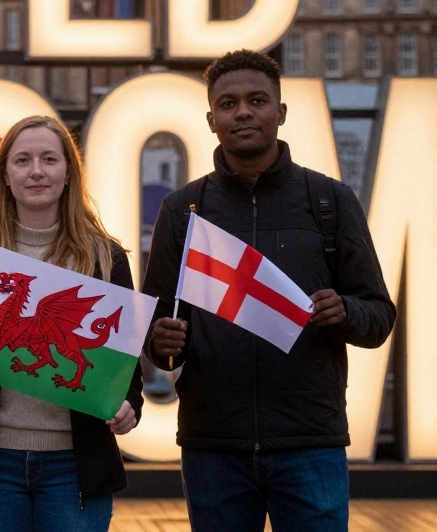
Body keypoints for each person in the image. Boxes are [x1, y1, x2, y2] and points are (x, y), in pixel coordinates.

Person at [145, 50, 396, 532]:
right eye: (228, 103)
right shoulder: (184, 210)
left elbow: (379, 317)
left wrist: (344, 310)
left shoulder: (329, 201)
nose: (243, 112)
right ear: (211, 119)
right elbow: (155, 332)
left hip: (311, 444)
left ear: (280, 112)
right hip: (213, 447)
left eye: (257, 100)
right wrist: (160, 342)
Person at [0, 115, 141, 532]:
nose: (36, 170)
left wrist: (131, 407)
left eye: (48, 159)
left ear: (68, 173)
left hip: (76, 465)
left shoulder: (105, 258)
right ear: (4, 175)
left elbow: (126, 373)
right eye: (22, 160)